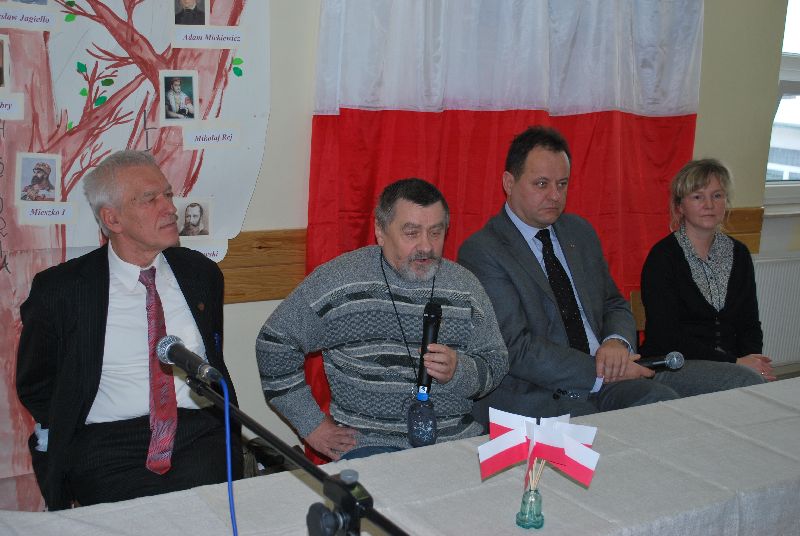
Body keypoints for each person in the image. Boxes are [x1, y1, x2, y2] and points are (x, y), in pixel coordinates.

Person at [458, 126, 763, 425]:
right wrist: (599, 370)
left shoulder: (579, 232)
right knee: (620, 425)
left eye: (562, 184)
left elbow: (613, 303)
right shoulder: (484, 250)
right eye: (541, 184)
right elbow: (517, 348)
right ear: (509, 183)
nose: (554, 195)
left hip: (609, 377)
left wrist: (617, 342)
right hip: (540, 390)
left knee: (663, 406)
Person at [16, 150, 242, 510]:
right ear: (113, 219)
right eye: (150, 199)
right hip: (107, 445)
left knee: (209, 518)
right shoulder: (61, 291)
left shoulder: (200, 274)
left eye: (167, 194)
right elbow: (36, 384)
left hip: (197, 434)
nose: (169, 208)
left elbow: (213, 353)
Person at [256, 178, 508, 461]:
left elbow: (496, 360)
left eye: (436, 232)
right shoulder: (338, 282)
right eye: (411, 233)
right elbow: (275, 343)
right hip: (368, 445)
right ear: (380, 231)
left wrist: (460, 371)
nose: (426, 246)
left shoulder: (465, 287)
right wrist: (312, 426)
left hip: (453, 440)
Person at [639, 159, 772, 380]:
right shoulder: (663, 257)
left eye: (717, 195)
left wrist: (753, 360)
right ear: (680, 206)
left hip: (732, 366)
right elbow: (666, 336)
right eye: (698, 197)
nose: (709, 204)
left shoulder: (739, 253)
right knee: (746, 381)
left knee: (760, 382)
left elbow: (749, 323)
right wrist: (737, 365)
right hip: (674, 364)